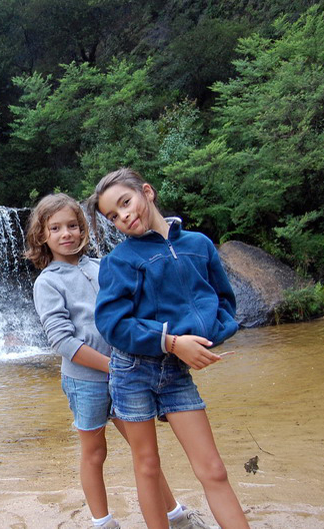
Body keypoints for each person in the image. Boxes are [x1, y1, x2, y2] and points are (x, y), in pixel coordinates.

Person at [25, 193, 215, 529]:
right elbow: (63, 341)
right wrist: (111, 366)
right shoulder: (48, 282)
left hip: (128, 375)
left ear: (83, 230)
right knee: (94, 453)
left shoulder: (104, 266)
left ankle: (175, 515)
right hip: (86, 381)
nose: (65, 233)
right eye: (55, 228)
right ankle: (104, 523)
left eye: (72, 225)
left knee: (145, 456)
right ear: (42, 236)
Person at [87, 168, 250, 528]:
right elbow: (112, 323)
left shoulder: (199, 245)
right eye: (112, 216)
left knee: (214, 469)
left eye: (126, 203)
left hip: (175, 372)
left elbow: (223, 300)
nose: (124, 216)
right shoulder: (120, 261)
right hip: (132, 372)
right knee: (147, 467)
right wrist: (172, 342)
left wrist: (207, 339)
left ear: (147, 191)